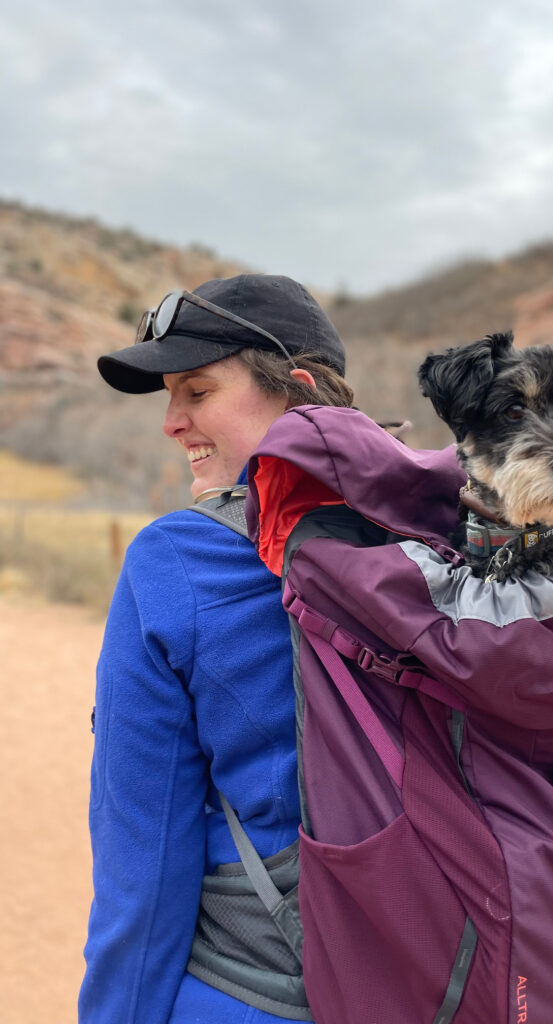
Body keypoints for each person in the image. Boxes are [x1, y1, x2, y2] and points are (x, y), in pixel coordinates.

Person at [80, 274, 353, 1024]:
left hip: (257, 993)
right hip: (459, 979)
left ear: (293, 390)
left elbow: (145, 857)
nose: (172, 421)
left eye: (196, 391)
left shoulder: (177, 560)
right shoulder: (443, 531)